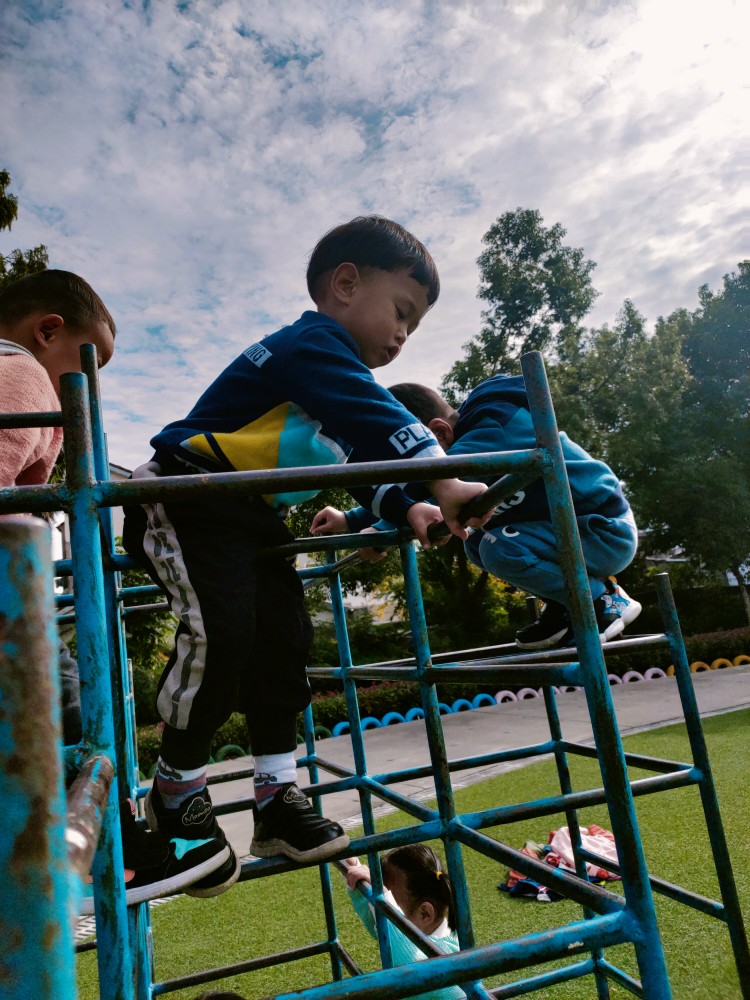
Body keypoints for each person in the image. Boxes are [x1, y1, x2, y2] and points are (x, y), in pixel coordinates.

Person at [122, 216, 491, 873]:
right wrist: (445, 476)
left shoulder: (331, 391)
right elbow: (375, 413)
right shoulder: (311, 344)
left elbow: (361, 466)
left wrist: (410, 507)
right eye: (401, 312)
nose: (403, 336)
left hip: (251, 514)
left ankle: (276, 798)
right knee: (222, 632)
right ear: (345, 284)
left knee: (284, 643)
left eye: (413, 327)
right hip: (186, 496)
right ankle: (175, 798)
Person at [0, 269, 234, 907]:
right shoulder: (21, 373)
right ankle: (128, 854)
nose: (92, 384)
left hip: (13, 594)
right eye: (91, 361)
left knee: (67, 700)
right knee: (72, 707)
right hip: (6, 603)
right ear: (48, 331)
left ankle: (128, 847)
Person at [312, 377, 641, 648]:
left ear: (439, 434)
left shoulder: (491, 430)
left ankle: (602, 599)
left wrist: (376, 525)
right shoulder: (469, 440)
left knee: (500, 547)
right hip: (569, 532)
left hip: (601, 529)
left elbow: (420, 487)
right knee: (475, 542)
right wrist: (350, 519)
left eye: (411, 459)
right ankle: (566, 602)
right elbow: (415, 488)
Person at [342, 845, 465, 1000]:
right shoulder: (419, 933)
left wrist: (382, 897)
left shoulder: (447, 957)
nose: (382, 910)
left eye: (393, 905)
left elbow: (409, 959)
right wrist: (354, 868)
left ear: (425, 914)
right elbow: (379, 925)